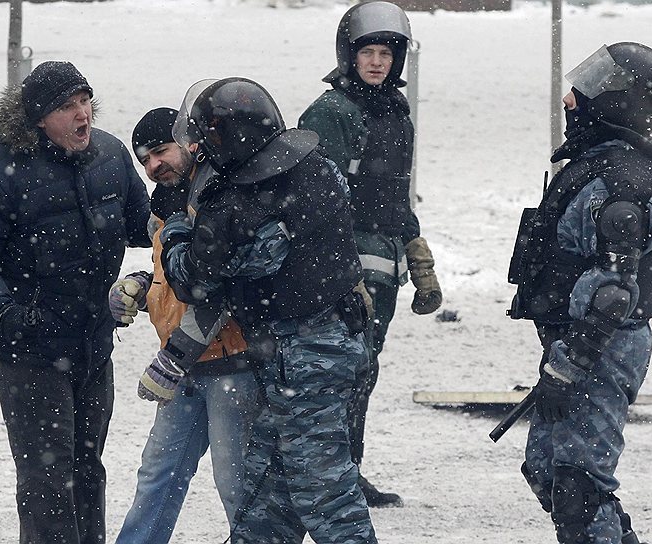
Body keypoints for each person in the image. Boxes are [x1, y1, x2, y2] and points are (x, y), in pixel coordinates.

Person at [0, 61, 151, 544]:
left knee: (86, 467)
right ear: (39, 117)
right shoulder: (0, 170)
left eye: (85, 101)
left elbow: (148, 225)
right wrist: (9, 313)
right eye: (67, 106)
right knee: (47, 481)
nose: (82, 114)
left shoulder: (111, 156)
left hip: (92, 342)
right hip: (27, 350)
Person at [164, 77, 376, 544]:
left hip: (304, 360)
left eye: (208, 138)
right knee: (266, 496)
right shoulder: (316, 167)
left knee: (324, 496)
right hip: (336, 341)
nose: (200, 149)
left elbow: (192, 281)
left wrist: (178, 225)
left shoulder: (237, 204)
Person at [507, 42, 652, 544]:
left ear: (618, 100)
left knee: (578, 487)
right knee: (547, 471)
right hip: (577, 347)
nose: (570, 99)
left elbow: (614, 293)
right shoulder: (598, 165)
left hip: (600, 348)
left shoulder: (619, 183)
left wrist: (572, 362)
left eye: (592, 86)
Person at [297, 0, 443, 508]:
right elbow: (315, 198)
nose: (377, 62)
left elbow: (394, 192)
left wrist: (417, 253)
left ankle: (347, 473)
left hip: (384, 267)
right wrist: (338, 269)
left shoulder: (393, 110)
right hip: (343, 268)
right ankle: (326, 478)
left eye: (386, 53)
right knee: (339, 373)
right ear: (349, 56)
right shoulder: (332, 112)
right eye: (368, 52)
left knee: (365, 371)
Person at [110, 106, 259, 544]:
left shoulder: (214, 197)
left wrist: (173, 359)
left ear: (189, 142)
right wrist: (145, 283)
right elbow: (176, 274)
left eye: (160, 152)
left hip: (232, 368)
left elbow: (218, 288)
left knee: (239, 489)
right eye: (145, 161)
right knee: (157, 477)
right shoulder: (166, 207)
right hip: (188, 373)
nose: (155, 166)